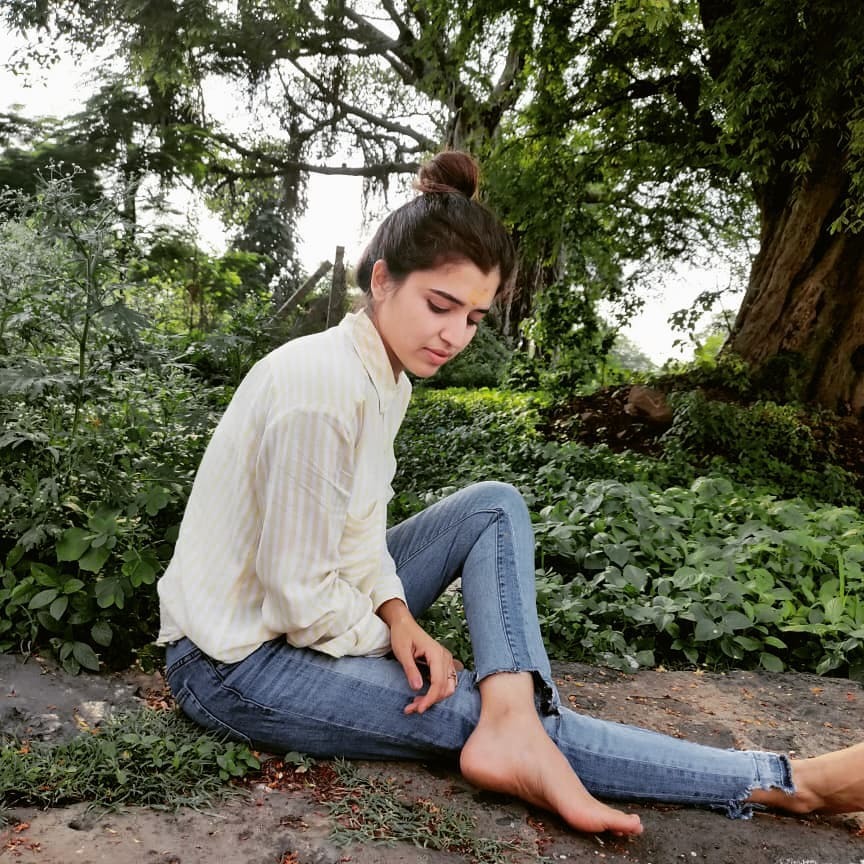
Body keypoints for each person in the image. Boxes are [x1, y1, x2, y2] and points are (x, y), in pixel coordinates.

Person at [157, 151, 863, 836]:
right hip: (237, 665)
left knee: (493, 506)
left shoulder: (381, 375)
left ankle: (514, 717)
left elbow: (358, 535)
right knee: (479, 711)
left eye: (472, 318)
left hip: (297, 613)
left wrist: (397, 613)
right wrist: (395, 640)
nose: (454, 335)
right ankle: (787, 783)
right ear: (382, 280)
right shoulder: (322, 389)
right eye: (440, 305)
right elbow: (300, 602)